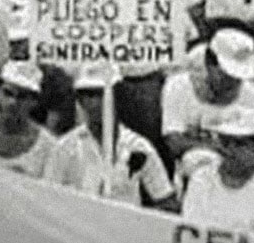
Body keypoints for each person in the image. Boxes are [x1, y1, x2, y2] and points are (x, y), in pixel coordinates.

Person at [50, 63, 175, 209]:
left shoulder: (138, 146)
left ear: (117, 96)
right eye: (87, 95)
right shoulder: (65, 147)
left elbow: (165, 200)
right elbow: (48, 199)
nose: (93, 103)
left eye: (101, 94)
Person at [160, 27, 254, 188]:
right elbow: (173, 141)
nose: (233, 81)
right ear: (208, 62)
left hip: (242, 171)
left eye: (238, 76)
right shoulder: (178, 86)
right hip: (194, 170)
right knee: (199, 160)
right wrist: (223, 149)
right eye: (226, 74)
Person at [179, 116, 254, 234]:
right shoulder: (201, 178)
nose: (230, 150)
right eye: (226, 142)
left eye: (239, 143)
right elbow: (190, 230)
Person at [0, 61, 62, 180]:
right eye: (8, 93)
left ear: (34, 102)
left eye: (23, 97)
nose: (13, 102)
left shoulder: (49, 147)